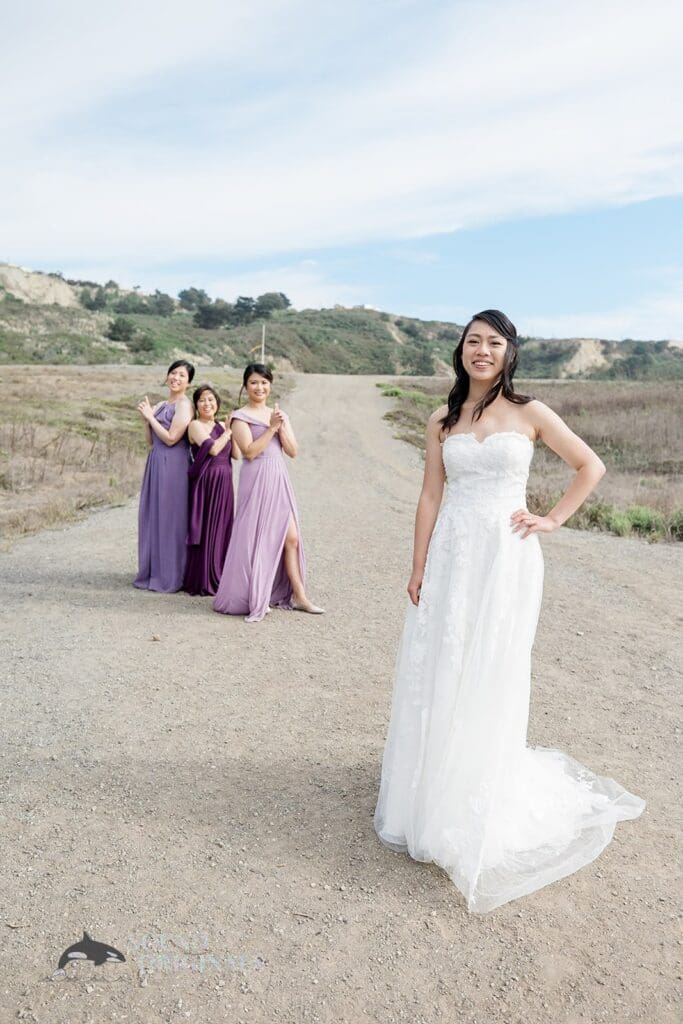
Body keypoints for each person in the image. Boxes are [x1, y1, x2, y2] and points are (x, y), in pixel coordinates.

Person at [373, 309, 645, 914]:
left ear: (510, 353)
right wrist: (417, 565)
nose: (483, 351)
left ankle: (477, 787)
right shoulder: (441, 419)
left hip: (506, 555)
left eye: (495, 343)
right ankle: (429, 788)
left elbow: (589, 466)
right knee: (440, 659)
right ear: (460, 351)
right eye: (474, 341)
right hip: (450, 555)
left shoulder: (530, 412)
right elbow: (429, 494)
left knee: (490, 662)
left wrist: (550, 518)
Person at [213, 363, 323, 623]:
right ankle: (254, 593)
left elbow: (293, 451)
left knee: (292, 539)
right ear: (245, 386)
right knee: (256, 537)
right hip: (256, 478)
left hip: (278, 477)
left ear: (270, 385)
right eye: (253, 382)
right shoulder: (240, 416)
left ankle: (299, 596)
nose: (259, 387)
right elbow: (249, 452)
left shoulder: (279, 414)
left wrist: (281, 427)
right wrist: (271, 428)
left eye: (264, 382)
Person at [134, 359, 194, 593]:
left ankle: (172, 574)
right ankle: (154, 570)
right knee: (153, 515)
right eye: (173, 373)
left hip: (174, 463)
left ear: (188, 382)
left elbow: (171, 438)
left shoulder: (184, 405)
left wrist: (150, 417)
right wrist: (146, 420)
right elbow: (151, 441)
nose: (175, 378)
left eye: (181, 375)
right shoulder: (160, 404)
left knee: (171, 517)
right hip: (156, 461)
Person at [183, 384, 238, 596]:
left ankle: (220, 573)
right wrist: (228, 432)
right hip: (205, 481)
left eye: (211, 400)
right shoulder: (195, 425)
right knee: (205, 527)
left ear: (217, 403)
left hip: (224, 481)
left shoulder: (221, 427)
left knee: (222, 527)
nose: (207, 403)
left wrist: (232, 431)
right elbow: (213, 449)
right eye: (202, 400)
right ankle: (203, 578)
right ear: (196, 405)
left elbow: (237, 455)